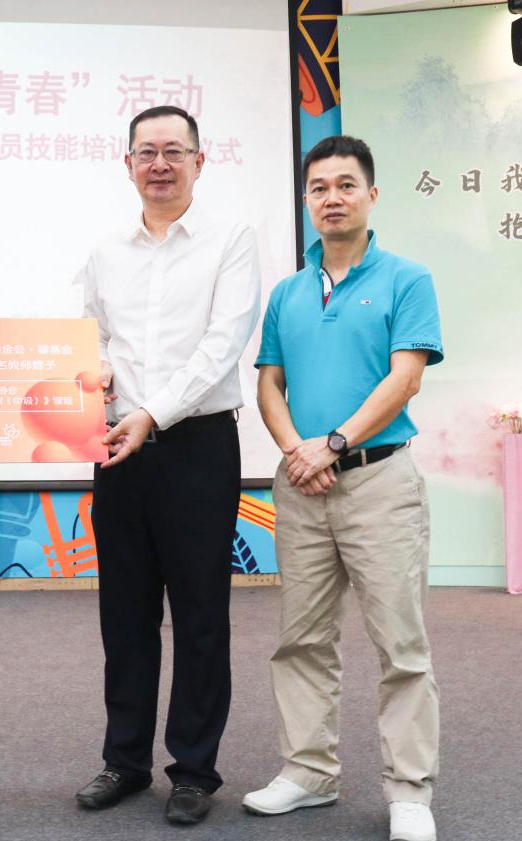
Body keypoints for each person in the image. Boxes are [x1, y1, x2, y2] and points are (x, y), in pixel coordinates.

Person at [245, 135, 442, 841]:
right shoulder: (287, 293)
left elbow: (404, 378)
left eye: (345, 185)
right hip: (302, 485)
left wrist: (332, 442)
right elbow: (269, 383)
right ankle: (308, 772)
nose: (331, 198)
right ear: (306, 201)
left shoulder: (406, 279)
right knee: (300, 640)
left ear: (371, 195)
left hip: (379, 481)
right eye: (319, 188)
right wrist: (297, 452)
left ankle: (409, 791)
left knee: (401, 645)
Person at [73, 105, 262, 825]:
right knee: (123, 614)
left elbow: (223, 342)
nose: (159, 164)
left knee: (200, 613)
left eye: (173, 151)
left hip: (196, 446)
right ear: (127, 163)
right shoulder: (104, 249)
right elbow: (87, 333)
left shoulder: (230, 238)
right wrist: (92, 372)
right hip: (116, 448)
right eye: (146, 152)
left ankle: (193, 770)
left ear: (198, 162)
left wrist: (151, 412)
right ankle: (123, 760)